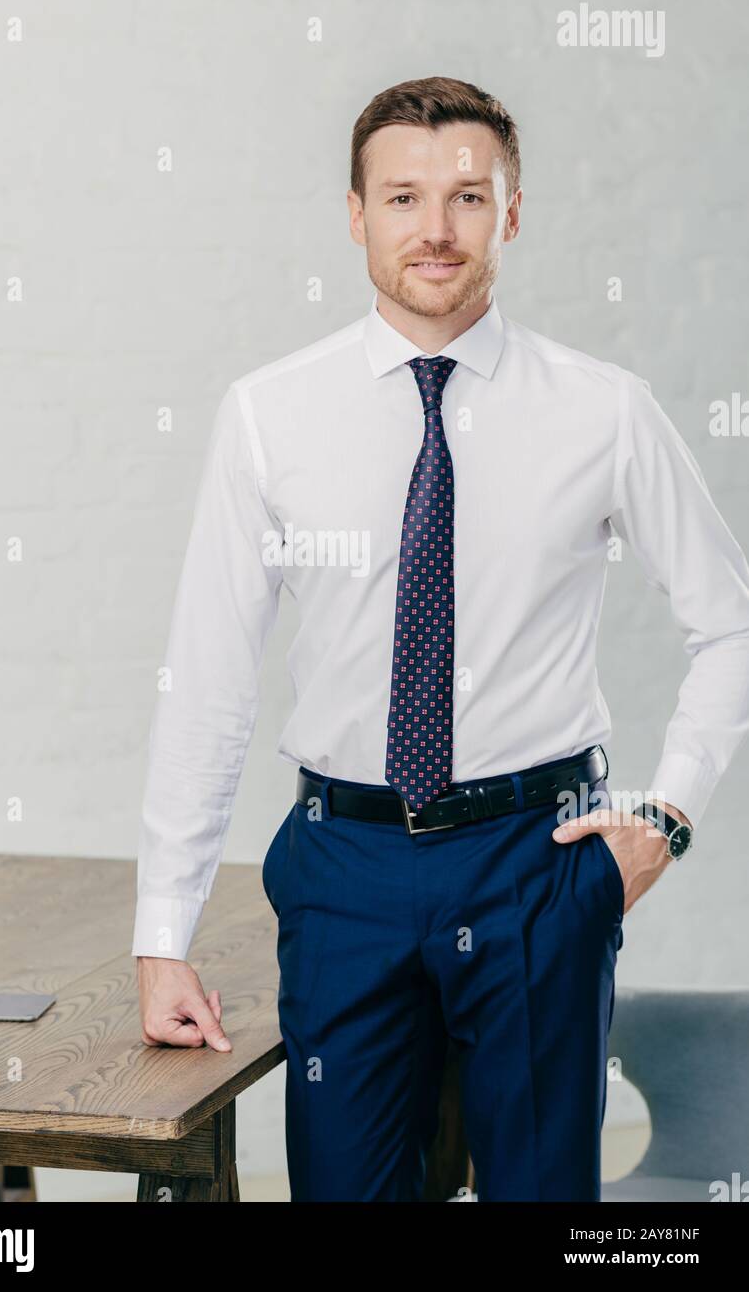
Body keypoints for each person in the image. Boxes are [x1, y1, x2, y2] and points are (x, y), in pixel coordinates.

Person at [133, 76, 749, 1201]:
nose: (434, 228)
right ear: (354, 214)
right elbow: (209, 679)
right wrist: (161, 929)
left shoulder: (601, 410)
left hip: (536, 865)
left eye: (467, 196)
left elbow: (731, 623)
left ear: (510, 211)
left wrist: (666, 816)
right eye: (403, 196)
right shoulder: (269, 414)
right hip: (343, 867)